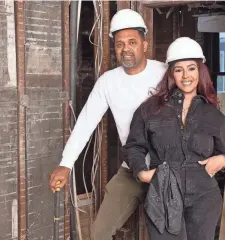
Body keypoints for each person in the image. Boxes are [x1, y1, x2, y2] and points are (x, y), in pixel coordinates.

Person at [48, 9, 167, 240]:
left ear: (144, 43)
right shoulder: (108, 82)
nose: (126, 49)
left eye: (132, 42)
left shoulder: (164, 73)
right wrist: (66, 164)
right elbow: (85, 122)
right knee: (99, 232)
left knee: (167, 231)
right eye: (120, 44)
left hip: (166, 168)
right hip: (132, 168)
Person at [123, 37, 225, 240]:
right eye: (178, 69)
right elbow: (134, 147)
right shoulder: (150, 110)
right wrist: (142, 173)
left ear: (200, 71)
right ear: (171, 74)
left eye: (191, 68)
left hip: (204, 197)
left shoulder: (213, 114)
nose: (185, 76)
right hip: (163, 193)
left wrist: (224, 160)